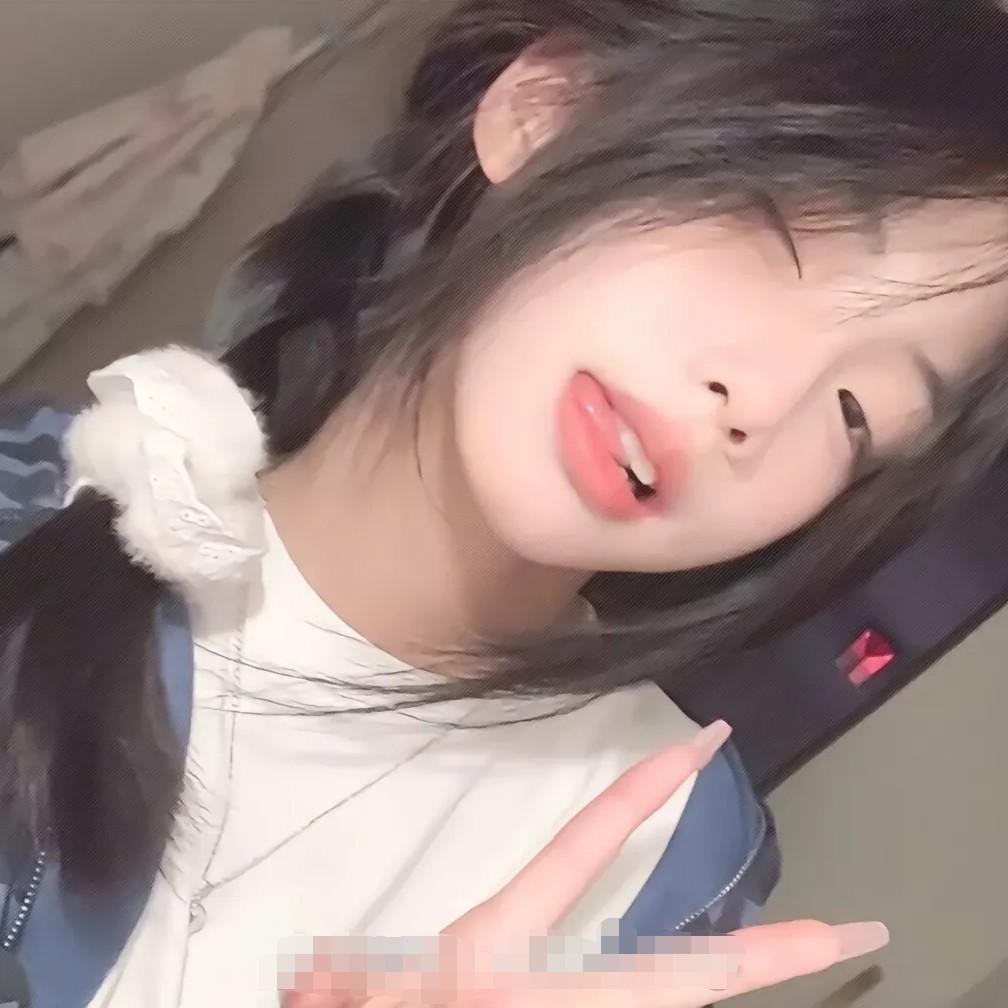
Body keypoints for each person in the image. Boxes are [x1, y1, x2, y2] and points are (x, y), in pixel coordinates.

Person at [4, 0, 1008, 1005]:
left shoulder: (665, 852)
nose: (762, 401)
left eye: (857, 411)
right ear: (547, 111)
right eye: (781, 229)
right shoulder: (35, 498)